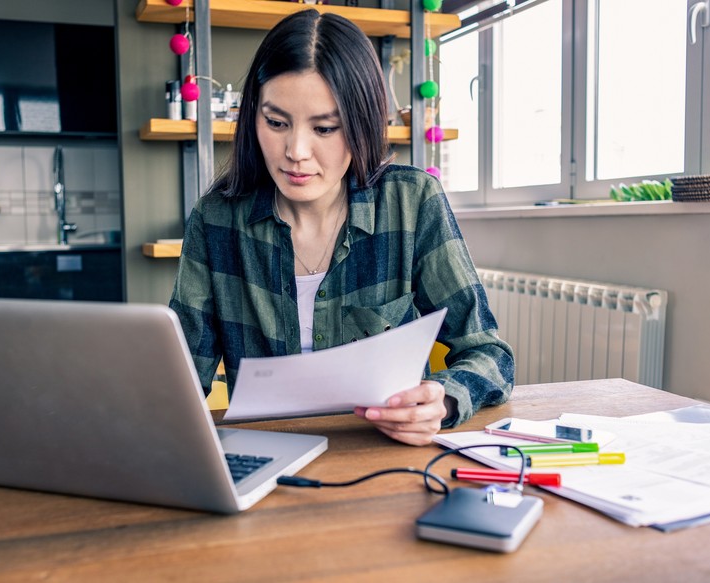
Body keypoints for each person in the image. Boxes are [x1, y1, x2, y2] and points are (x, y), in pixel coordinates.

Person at [169, 9, 514, 446]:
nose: (295, 151)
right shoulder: (215, 220)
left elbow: (488, 354)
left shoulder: (411, 203)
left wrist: (442, 400)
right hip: (263, 459)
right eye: (276, 123)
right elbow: (181, 381)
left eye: (325, 128)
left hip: (384, 455)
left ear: (362, 124)